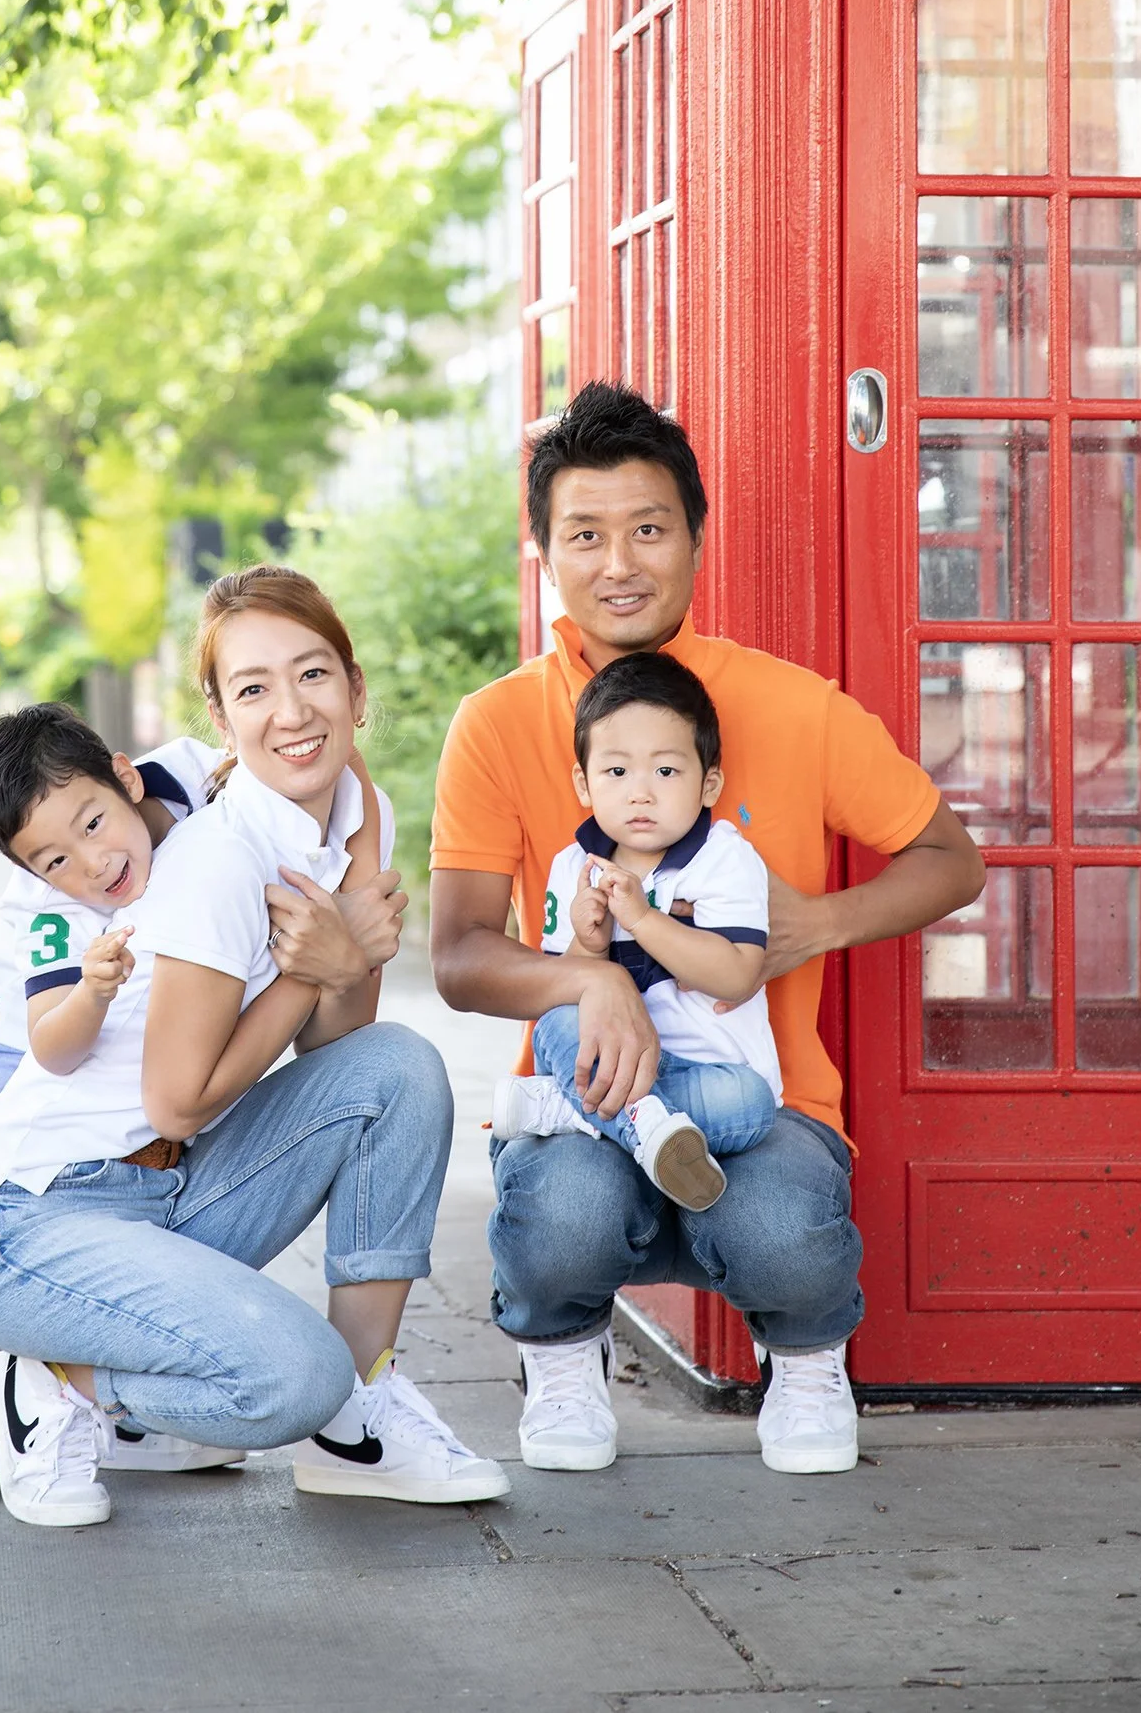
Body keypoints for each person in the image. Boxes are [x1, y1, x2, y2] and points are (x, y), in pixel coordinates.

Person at [430, 381, 984, 1480]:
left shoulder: (793, 707)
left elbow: (950, 859)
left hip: (759, 1098)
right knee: (567, 1218)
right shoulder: (497, 721)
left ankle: (808, 1360)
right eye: (583, 534)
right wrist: (593, 984)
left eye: (647, 528)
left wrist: (812, 924)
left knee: (785, 1231)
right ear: (543, 549)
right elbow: (454, 954)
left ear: (692, 537)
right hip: (590, 1096)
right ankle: (560, 1355)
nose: (618, 563)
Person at [0, 565, 508, 1524]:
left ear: (355, 689)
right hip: (36, 1204)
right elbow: (177, 1098)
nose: (291, 710)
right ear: (221, 715)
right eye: (254, 689)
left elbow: (338, 1037)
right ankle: (49, 1380)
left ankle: (357, 1413)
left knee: (395, 1070)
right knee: (289, 1378)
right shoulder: (207, 861)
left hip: (163, 1186)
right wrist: (312, 964)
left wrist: (347, 925)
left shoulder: (341, 807)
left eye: (314, 675)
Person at [0, 719, 219, 1489]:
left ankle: (110, 1407)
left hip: (90, 1007)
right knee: (14, 1183)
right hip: (11, 1021)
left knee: (123, 1186)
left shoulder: (191, 777)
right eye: (57, 857)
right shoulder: (49, 904)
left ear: (127, 777)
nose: (92, 859)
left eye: (95, 824)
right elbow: (54, 1045)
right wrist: (91, 989)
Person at [492, 652, 778, 1214]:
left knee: (752, 1103)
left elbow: (737, 974)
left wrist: (644, 920)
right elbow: (559, 994)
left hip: (707, 1076)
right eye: (617, 772)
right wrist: (589, 947)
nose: (640, 792)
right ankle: (644, 1122)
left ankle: (573, 1109)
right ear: (584, 782)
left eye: (666, 772)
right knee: (557, 1018)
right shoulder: (573, 866)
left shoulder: (725, 859)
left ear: (709, 781)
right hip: (605, 1056)